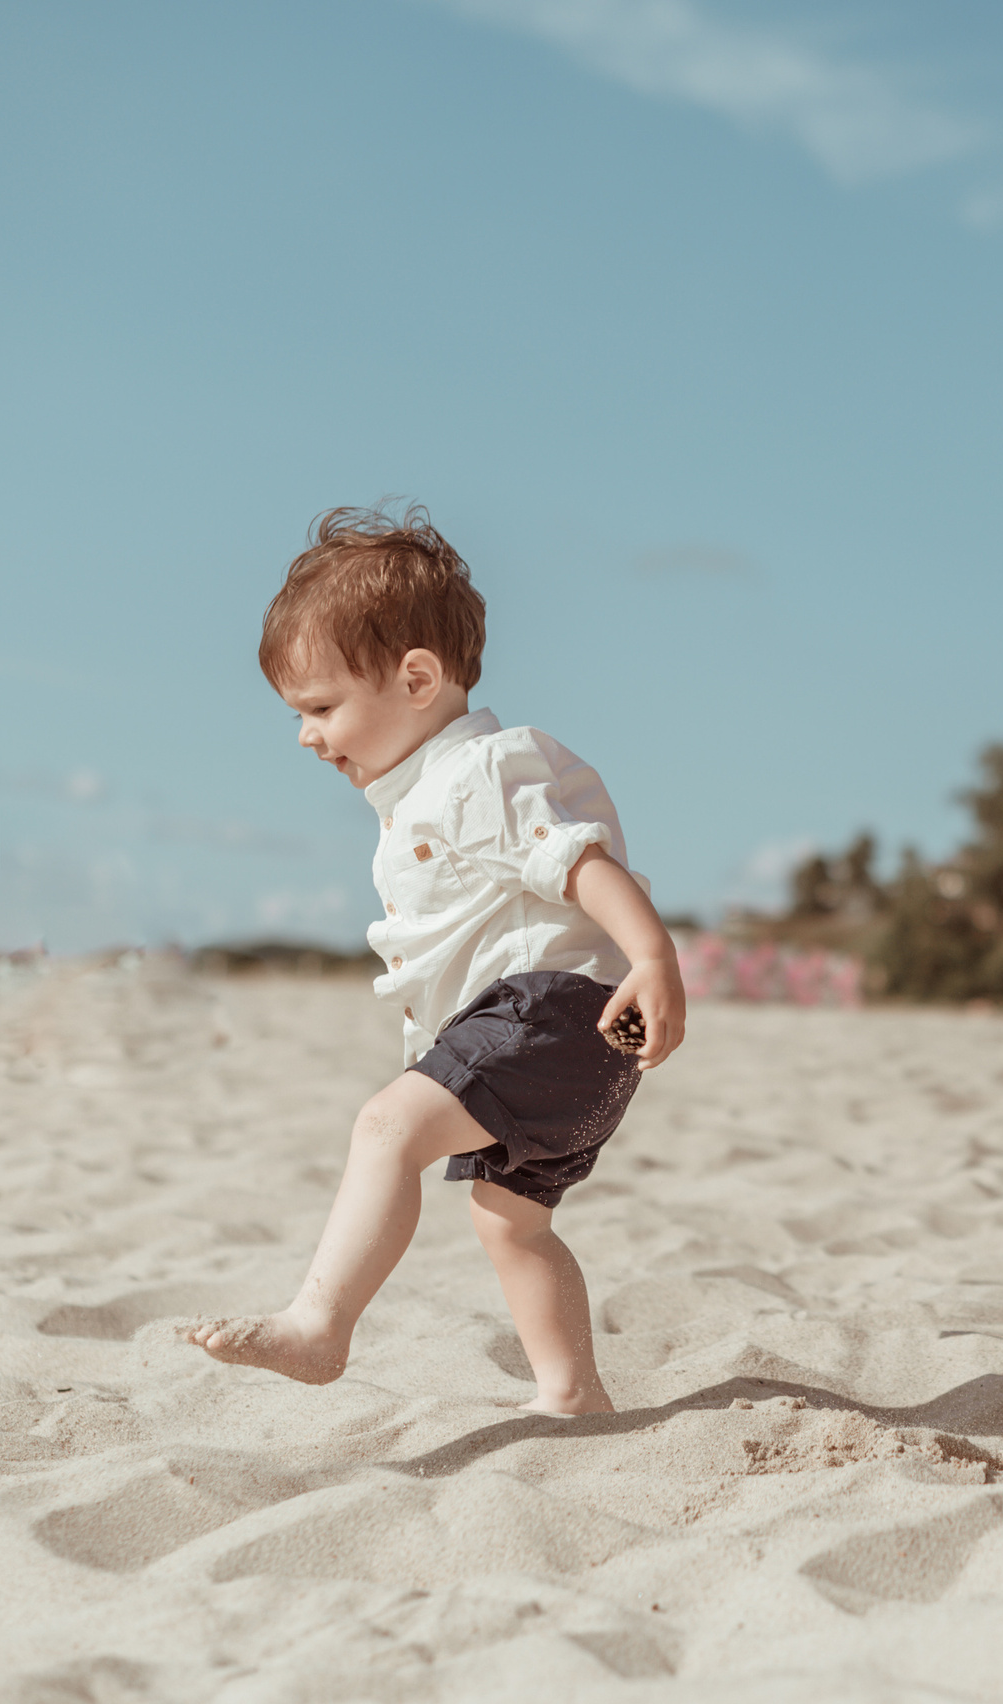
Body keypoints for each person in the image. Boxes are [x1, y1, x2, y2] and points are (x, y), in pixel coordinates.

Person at [186, 507, 685, 1414]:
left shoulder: (481, 773)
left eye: (323, 707)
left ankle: (320, 1325)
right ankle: (573, 1393)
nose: (306, 735)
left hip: (557, 1014)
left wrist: (653, 952)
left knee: (386, 1129)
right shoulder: (420, 799)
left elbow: (579, 862)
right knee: (512, 1225)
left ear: (417, 678)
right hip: (571, 1044)